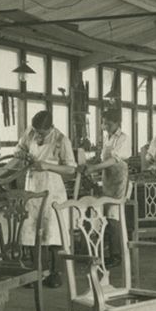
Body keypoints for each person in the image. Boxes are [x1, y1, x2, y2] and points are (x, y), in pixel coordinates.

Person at [12, 111, 77, 288]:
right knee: (32, 230)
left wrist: (48, 165)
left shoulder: (61, 140)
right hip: (32, 187)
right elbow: (19, 148)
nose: (38, 134)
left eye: (42, 132)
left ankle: (56, 274)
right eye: (36, 130)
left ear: (51, 127)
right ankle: (37, 273)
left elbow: (71, 169)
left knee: (53, 232)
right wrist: (20, 154)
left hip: (52, 189)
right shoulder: (30, 133)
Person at [84, 108, 129, 265]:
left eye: (108, 124)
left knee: (113, 214)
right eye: (103, 123)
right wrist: (90, 163)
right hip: (108, 178)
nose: (104, 127)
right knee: (104, 214)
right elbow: (103, 158)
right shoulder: (107, 137)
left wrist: (95, 168)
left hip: (119, 178)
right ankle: (105, 251)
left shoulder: (123, 138)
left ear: (117, 123)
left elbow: (114, 160)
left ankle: (116, 256)